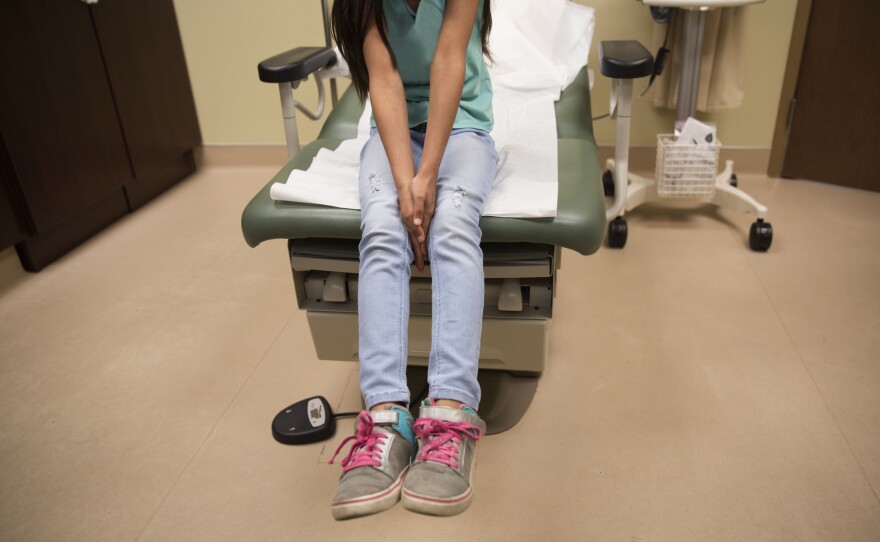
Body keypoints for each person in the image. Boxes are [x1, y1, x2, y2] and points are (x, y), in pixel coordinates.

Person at [327, 0, 496, 520]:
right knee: (382, 228)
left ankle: (450, 415)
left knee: (453, 223)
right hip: (392, 130)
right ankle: (384, 420)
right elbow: (384, 78)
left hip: (461, 125)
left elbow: (448, 58)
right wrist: (407, 186)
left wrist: (429, 178)